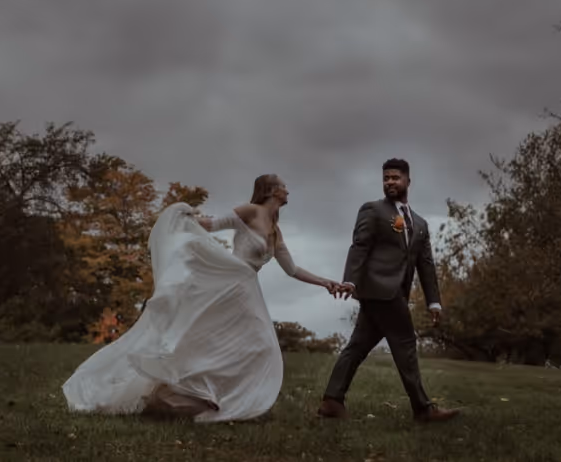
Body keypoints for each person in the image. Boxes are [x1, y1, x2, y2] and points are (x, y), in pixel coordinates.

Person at [62, 174, 348, 423]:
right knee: (237, 342)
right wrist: (185, 218)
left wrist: (326, 283)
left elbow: (292, 269)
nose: (288, 191)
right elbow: (212, 225)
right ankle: (200, 393)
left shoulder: (276, 228)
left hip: (249, 289)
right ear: (272, 190)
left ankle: (224, 396)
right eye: (284, 186)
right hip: (230, 284)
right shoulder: (250, 210)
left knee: (257, 345)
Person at [318, 158, 461, 423]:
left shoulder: (419, 224)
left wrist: (434, 302)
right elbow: (359, 246)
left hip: (391, 294)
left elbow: (425, 264)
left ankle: (331, 401)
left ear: (408, 181)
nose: (390, 182)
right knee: (406, 344)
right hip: (379, 289)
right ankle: (423, 409)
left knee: (357, 346)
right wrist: (350, 280)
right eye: (386, 178)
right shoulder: (373, 210)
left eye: (395, 178)